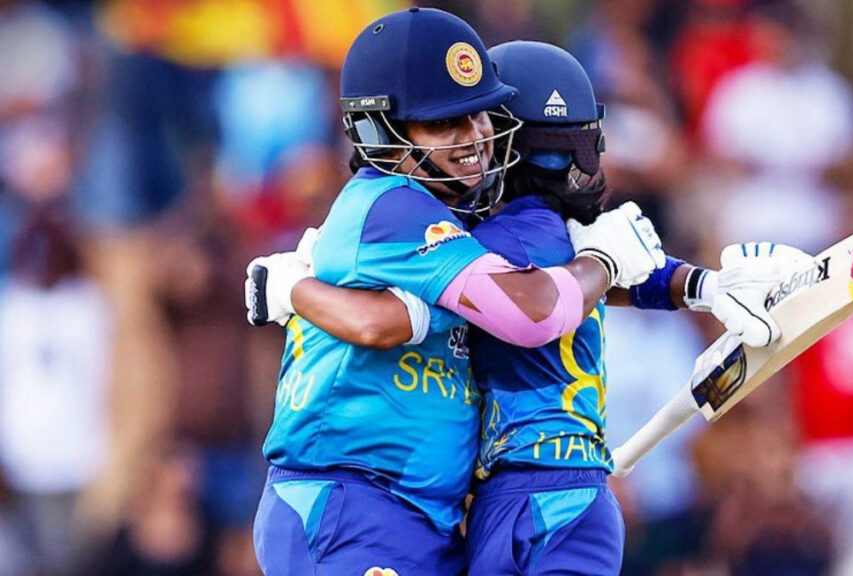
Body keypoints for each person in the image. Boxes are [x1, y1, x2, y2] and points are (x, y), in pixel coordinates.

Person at [249, 36, 810, 574]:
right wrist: (692, 284)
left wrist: (297, 289)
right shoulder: (512, 240)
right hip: (546, 496)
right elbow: (551, 291)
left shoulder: (497, 237)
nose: (475, 142)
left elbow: (556, 277)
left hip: (502, 499)